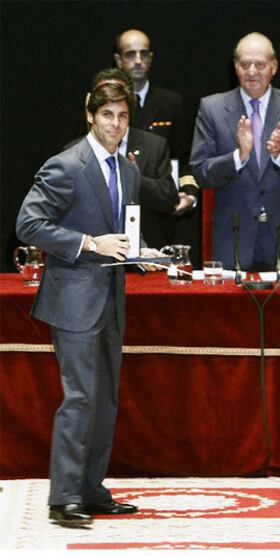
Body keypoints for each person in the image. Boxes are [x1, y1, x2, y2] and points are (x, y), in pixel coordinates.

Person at [16, 83, 162, 528]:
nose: (115, 125)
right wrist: (87, 243)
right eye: (107, 116)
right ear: (90, 116)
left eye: (121, 117)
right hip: (74, 301)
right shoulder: (66, 165)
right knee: (80, 398)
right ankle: (63, 498)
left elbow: (122, 233)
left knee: (105, 400)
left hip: (112, 300)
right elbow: (28, 224)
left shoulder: (129, 170)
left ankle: (92, 490)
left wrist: (145, 255)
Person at [190, 32, 280, 271]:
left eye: (259, 64)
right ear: (235, 67)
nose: (251, 71)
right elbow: (200, 172)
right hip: (235, 242)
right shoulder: (212, 108)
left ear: (273, 67)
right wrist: (238, 156)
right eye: (244, 64)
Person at [113, 29, 201, 261]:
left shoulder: (171, 103)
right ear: (118, 60)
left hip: (158, 213)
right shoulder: (103, 105)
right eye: (131, 54)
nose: (138, 61)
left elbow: (184, 157)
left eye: (144, 54)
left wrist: (189, 194)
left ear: (151, 57)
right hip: (114, 213)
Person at [76, 68, 181, 248]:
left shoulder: (154, 145)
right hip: (92, 259)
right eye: (107, 109)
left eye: (121, 111)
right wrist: (90, 245)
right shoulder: (73, 154)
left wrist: (134, 177)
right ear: (91, 110)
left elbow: (170, 199)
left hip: (144, 255)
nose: (115, 122)